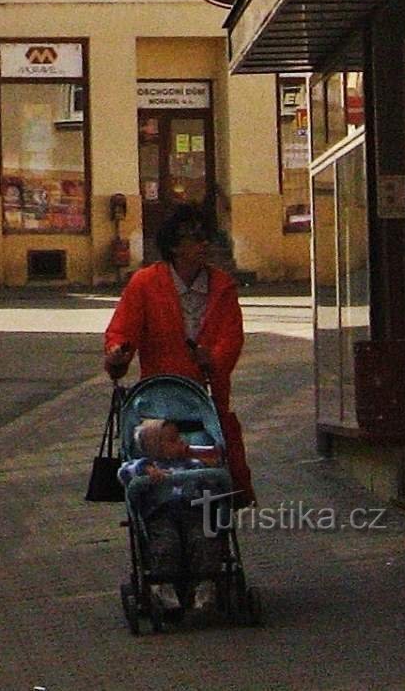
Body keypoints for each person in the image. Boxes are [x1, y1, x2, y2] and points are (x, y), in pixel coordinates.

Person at [103, 204, 253, 506]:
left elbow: (231, 336)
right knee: (162, 466)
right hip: (160, 397)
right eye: (195, 238)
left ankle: (216, 527)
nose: (204, 244)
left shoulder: (221, 285)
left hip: (206, 397)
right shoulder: (146, 283)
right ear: (174, 245)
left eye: (205, 236)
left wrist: (213, 358)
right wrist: (118, 354)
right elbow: (122, 330)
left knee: (215, 467)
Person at [120, 417, 230, 611]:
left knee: (204, 538)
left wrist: (210, 472)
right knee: (166, 544)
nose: (182, 443)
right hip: (161, 515)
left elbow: (211, 484)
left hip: (192, 511)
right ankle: (164, 587)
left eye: (180, 438)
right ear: (155, 447)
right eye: (173, 440)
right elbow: (124, 473)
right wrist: (145, 469)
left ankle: (205, 585)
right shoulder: (147, 466)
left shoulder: (192, 464)